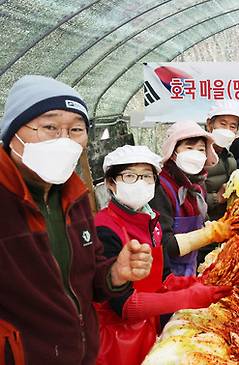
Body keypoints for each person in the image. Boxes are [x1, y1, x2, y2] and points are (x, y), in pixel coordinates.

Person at [0, 75, 152, 365]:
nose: (65, 140)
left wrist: (116, 274)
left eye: (76, 130)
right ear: (13, 133)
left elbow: (88, 279)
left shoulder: (75, 197)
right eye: (50, 127)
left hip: (80, 354)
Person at [94, 145, 231, 365]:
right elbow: (124, 306)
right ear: (111, 183)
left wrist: (199, 283)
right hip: (115, 342)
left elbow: (164, 278)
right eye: (130, 176)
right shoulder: (104, 229)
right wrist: (189, 297)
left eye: (147, 177)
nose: (141, 183)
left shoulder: (151, 222)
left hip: (148, 330)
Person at [149, 121, 219, 276]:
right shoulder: (161, 187)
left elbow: (201, 222)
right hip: (168, 276)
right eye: (189, 148)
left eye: (201, 150)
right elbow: (164, 245)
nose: (196, 154)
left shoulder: (196, 185)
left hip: (190, 269)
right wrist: (211, 234)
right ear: (173, 152)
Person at [204, 100, 239, 221]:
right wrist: (216, 198)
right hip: (202, 226)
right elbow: (184, 197)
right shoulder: (198, 155)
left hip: (224, 222)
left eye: (232, 126)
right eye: (223, 124)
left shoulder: (229, 158)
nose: (227, 130)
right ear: (210, 125)